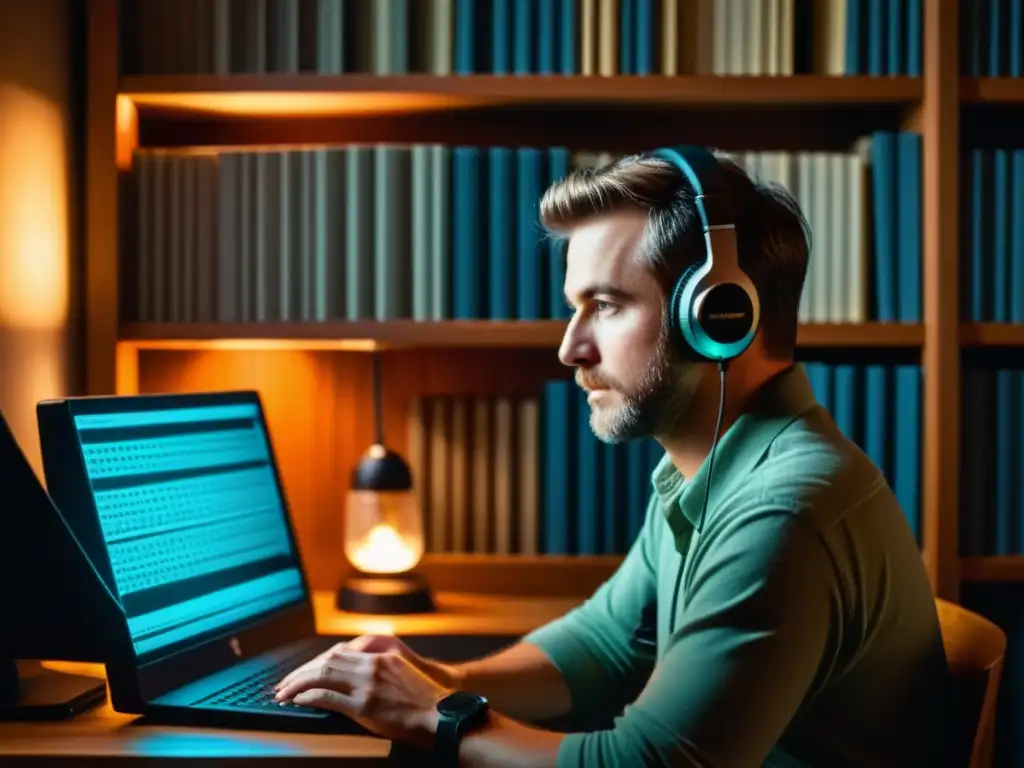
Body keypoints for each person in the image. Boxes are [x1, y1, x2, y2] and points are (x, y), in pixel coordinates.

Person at [273, 147, 952, 767]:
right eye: (576, 307)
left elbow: (650, 764)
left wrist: (434, 715)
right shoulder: (713, 471)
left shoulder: (783, 509)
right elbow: (606, 645)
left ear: (718, 316)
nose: (571, 348)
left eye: (605, 305)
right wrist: (443, 680)